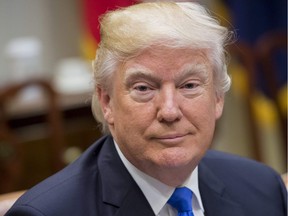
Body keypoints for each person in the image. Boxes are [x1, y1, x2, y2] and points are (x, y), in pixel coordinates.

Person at [6, 2, 287, 216]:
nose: (169, 111)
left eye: (189, 85)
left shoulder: (264, 190)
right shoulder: (46, 213)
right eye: (143, 88)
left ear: (217, 98)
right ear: (107, 102)